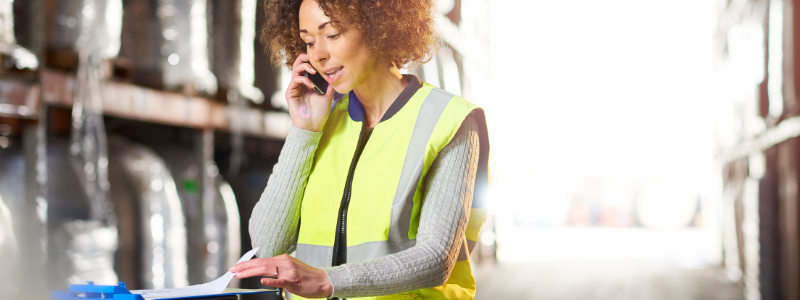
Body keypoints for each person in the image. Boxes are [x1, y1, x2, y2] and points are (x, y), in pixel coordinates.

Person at [229, 0, 489, 299]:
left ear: (378, 26)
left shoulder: (449, 120)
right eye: (309, 42)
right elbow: (267, 245)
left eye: (332, 34)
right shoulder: (322, 122)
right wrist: (304, 131)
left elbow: (436, 258)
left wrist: (328, 280)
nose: (318, 55)